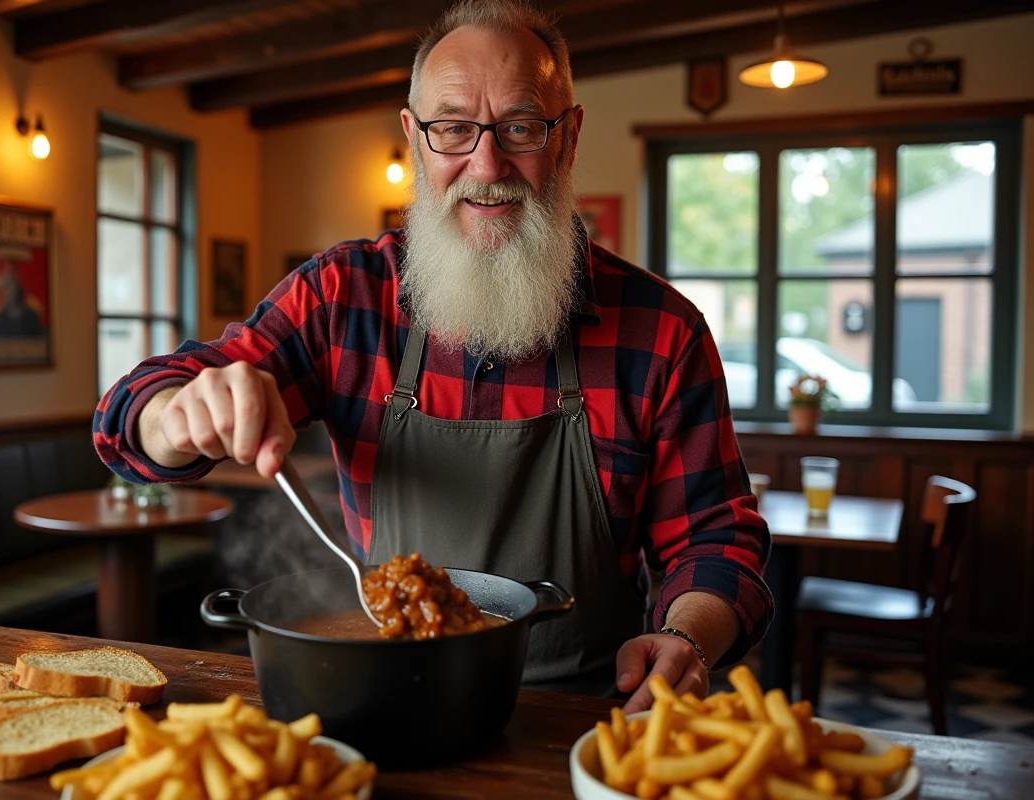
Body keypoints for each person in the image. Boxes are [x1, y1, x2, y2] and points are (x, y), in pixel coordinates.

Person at [94, 0, 772, 711]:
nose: (486, 163)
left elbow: (716, 539)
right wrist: (177, 417)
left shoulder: (663, 332)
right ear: (415, 139)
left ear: (568, 137)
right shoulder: (343, 295)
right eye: (453, 128)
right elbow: (127, 419)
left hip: (587, 725)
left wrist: (687, 638)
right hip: (383, 703)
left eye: (520, 126)